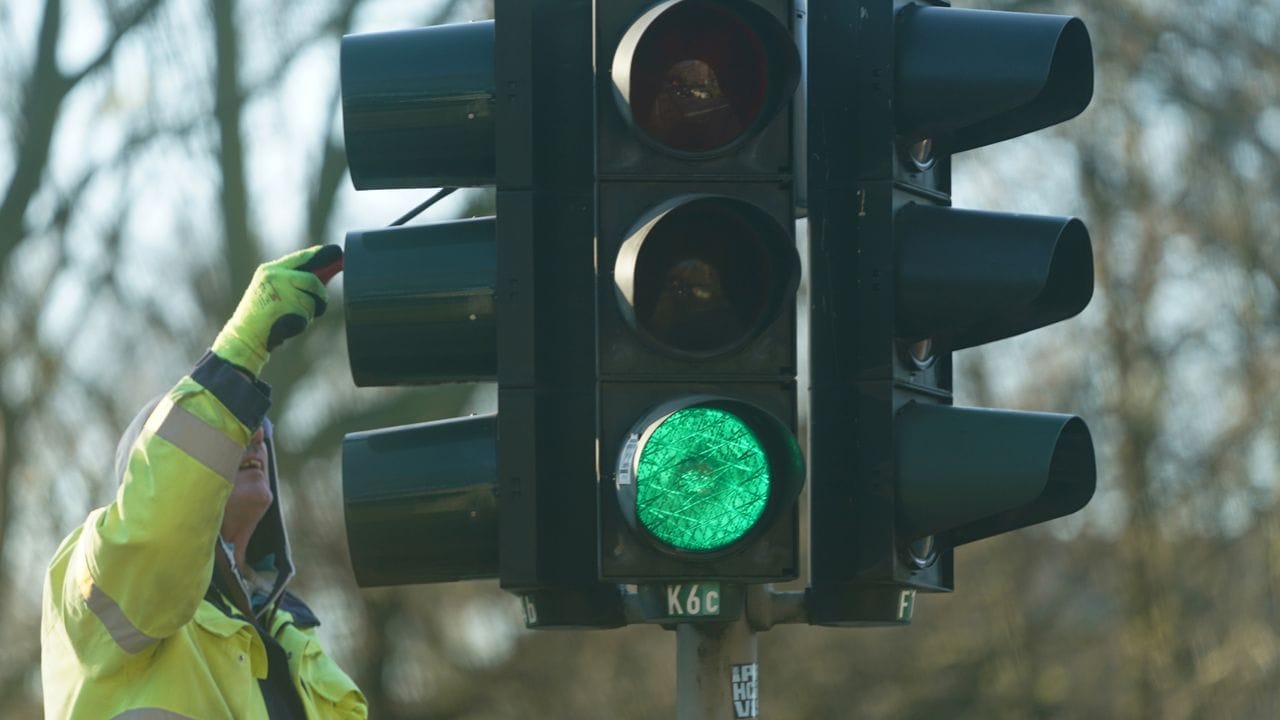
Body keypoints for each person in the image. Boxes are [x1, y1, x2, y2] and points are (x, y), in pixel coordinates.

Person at [41, 246, 367, 719]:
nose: (255, 434)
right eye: (229, 429)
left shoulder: (296, 643)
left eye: (258, 430)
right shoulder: (98, 583)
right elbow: (155, 534)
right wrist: (239, 355)